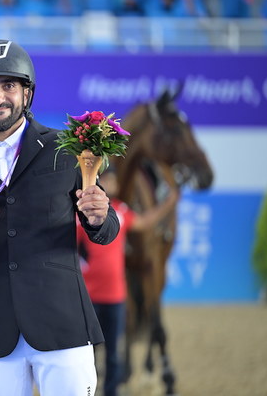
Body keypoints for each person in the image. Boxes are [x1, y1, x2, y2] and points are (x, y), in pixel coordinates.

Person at [0, 39, 119, 396]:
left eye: (9, 85)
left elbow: (106, 230)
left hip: (63, 325)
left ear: (27, 94)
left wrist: (99, 216)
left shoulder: (67, 151)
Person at [77, 168, 180, 396]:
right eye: (106, 179)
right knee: (88, 354)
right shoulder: (82, 213)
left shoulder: (121, 211)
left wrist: (169, 204)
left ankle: (111, 392)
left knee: (114, 352)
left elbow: (145, 222)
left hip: (115, 296)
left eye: (113, 180)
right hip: (87, 297)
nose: (111, 183)